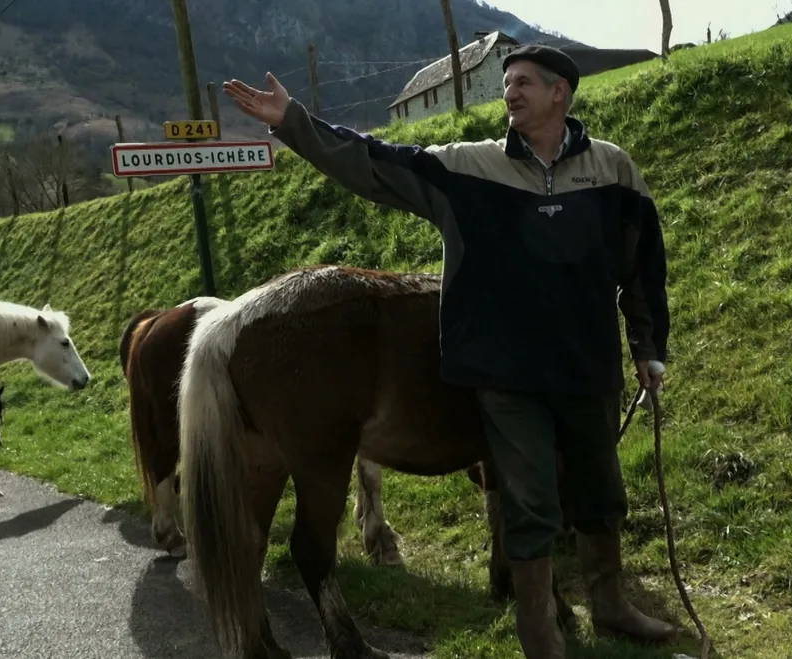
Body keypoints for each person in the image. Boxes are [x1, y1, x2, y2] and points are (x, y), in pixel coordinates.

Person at [223, 43, 676, 658]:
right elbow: (375, 162)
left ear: (560, 93)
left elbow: (643, 266)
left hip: (588, 368)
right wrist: (294, 122)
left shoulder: (613, 169)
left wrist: (648, 344)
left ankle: (612, 605)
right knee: (529, 502)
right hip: (507, 377)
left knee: (599, 492)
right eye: (507, 81)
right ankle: (539, 630)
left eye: (524, 82)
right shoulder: (469, 168)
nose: (510, 91)